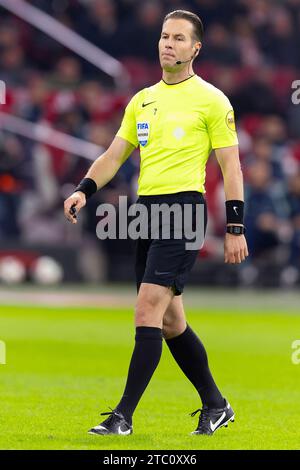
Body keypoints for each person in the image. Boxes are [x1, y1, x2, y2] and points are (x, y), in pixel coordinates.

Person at [64, 10, 248, 436]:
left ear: (195, 48)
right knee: (169, 322)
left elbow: (232, 168)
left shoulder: (212, 100)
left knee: (146, 309)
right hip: (146, 213)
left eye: (179, 38)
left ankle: (122, 417)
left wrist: (235, 227)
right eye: (165, 36)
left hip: (183, 211)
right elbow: (114, 155)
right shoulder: (142, 99)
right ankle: (216, 404)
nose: (168, 44)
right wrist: (83, 189)